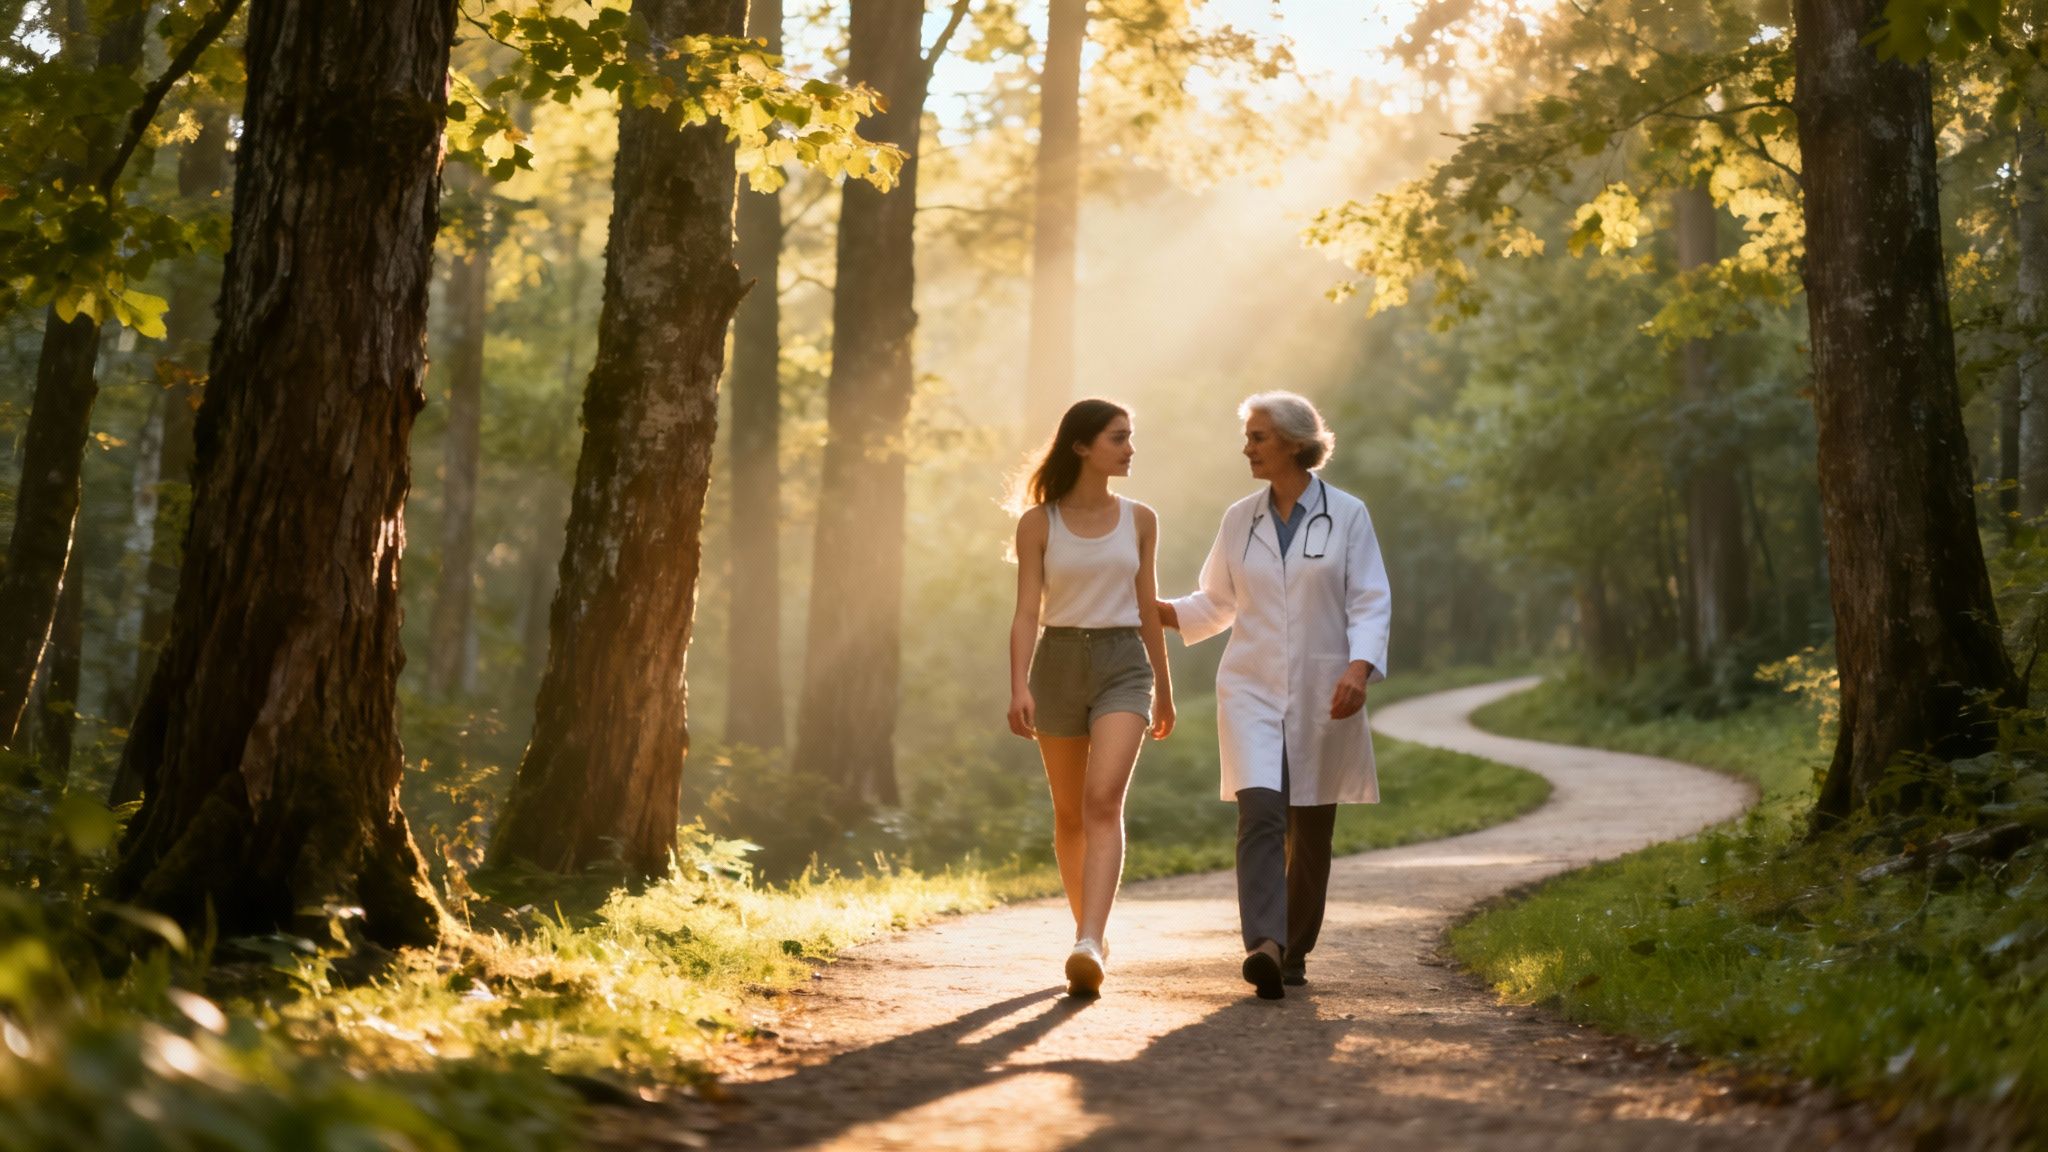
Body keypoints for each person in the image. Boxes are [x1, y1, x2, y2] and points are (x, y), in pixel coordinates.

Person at [1157, 391, 1390, 1000]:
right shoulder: (1241, 519)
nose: (1248, 448)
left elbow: (1370, 599)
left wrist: (1359, 669)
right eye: (1249, 437)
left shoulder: (1347, 515)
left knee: (1310, 829)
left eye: (1258, 437)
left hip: (1324, 687)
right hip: (1250, 686)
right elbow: (1216, 602)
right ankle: (1263, 942)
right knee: (1259, 813)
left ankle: (1292, 950)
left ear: (1291, 441)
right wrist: (1154, 610)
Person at [1007, 398, 1176, 997]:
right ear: (1082, 446)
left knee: (1103, 800)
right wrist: (1018, 684)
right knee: (1070, 812)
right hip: (1055, 664)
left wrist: (1164, 691)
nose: (1130, 448)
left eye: (1130, 437)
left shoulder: (1141, 519)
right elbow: (1028, 611)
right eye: (1118, 438)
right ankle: (1092, 935)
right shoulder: (1038, 523)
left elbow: (1149, 610)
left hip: (1123, 664)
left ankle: (1086, 941)